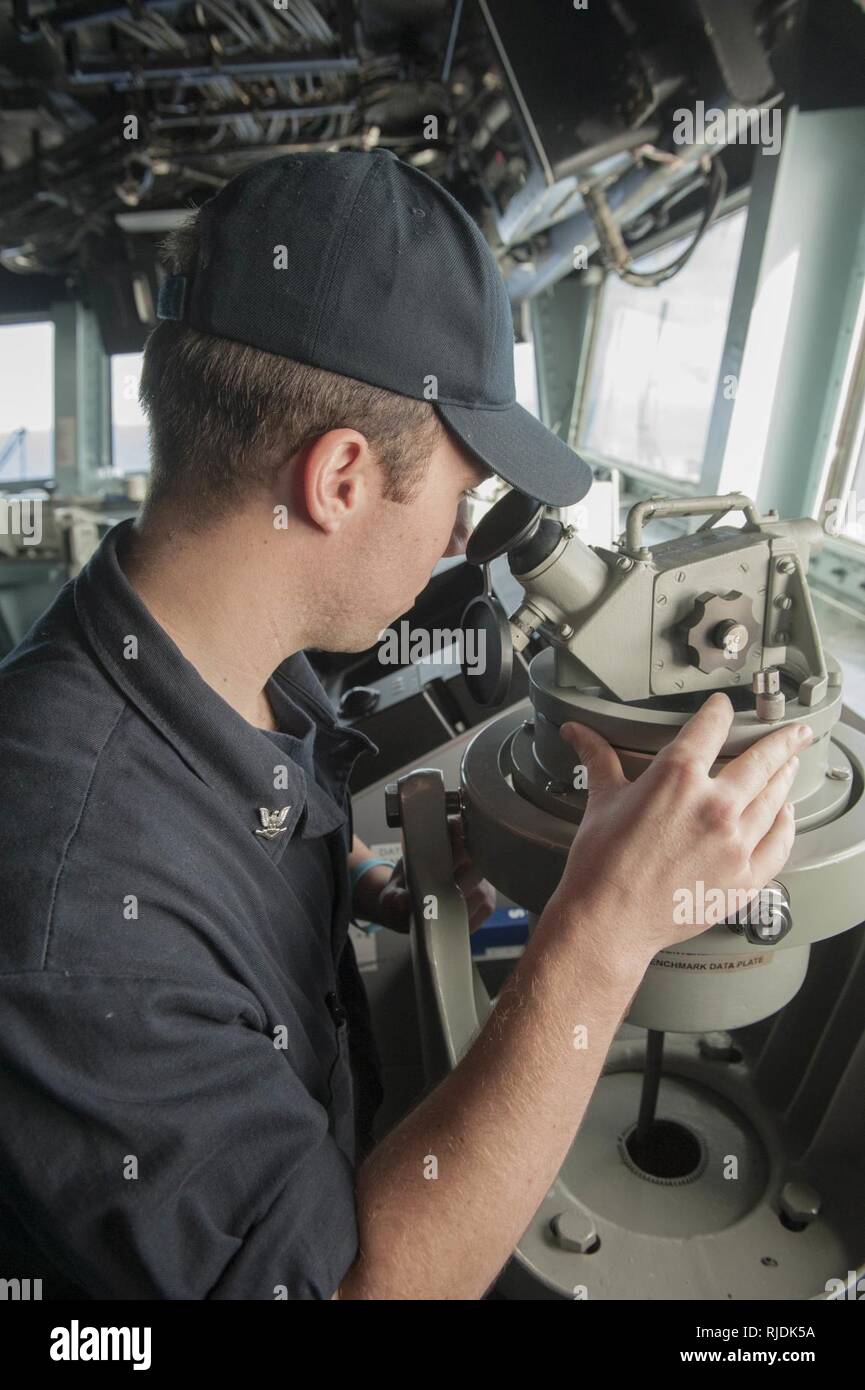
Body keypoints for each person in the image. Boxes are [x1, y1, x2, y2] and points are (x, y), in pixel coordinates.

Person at [0, 149, 808, 1300]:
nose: (451, 542)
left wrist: (361, 882)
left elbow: (222, 873)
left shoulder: (227, 666)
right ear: (335, 480)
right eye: (458, 492)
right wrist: (601, 939)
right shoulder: (69, 903)